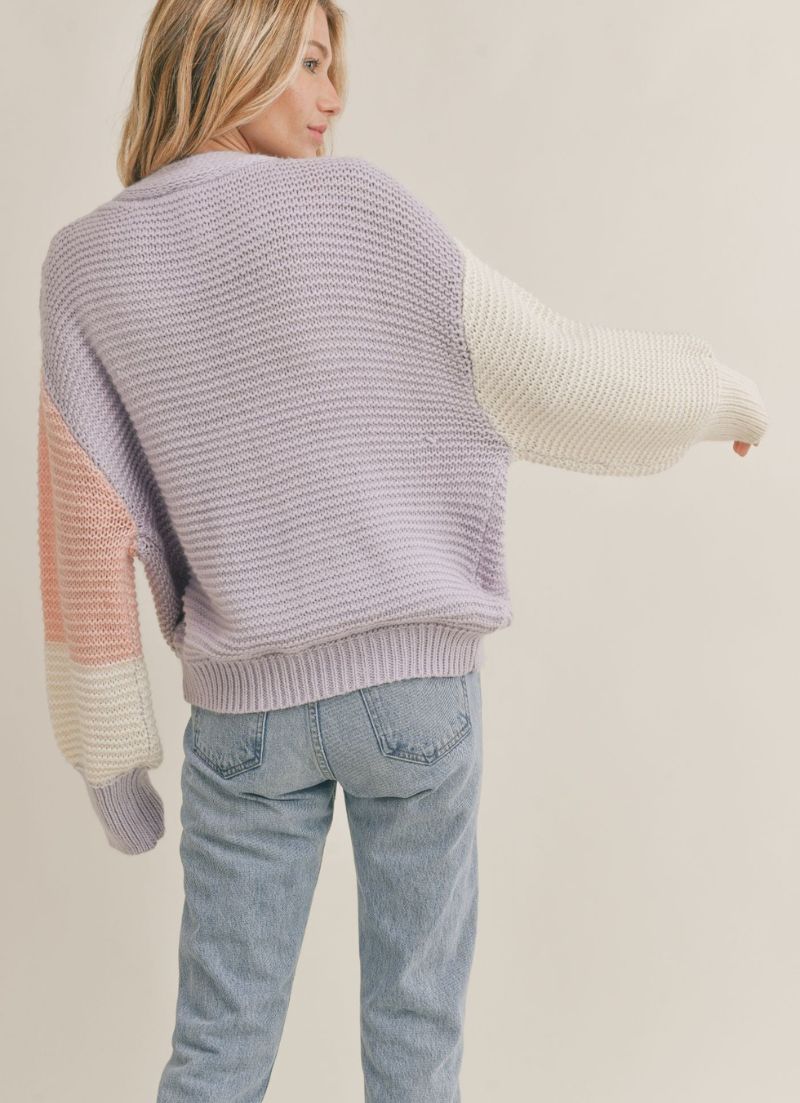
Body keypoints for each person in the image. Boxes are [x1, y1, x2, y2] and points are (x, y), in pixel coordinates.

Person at [35, 1, 769, 1100]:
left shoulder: (84, 264)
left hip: (245, 722)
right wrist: (717, 393)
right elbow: (556, 370)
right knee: (416, 1045)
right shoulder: (359, 208)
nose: (334, 98)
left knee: (217, 1053)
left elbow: (83, 527)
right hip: (417, 701)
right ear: (233, 53)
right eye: (311, 62)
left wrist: (112, 771)